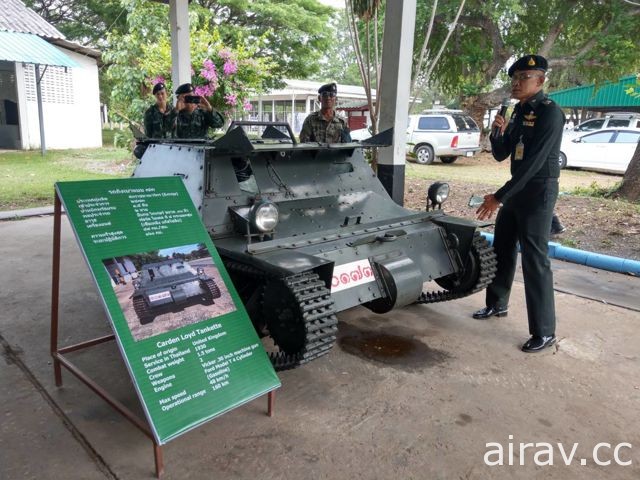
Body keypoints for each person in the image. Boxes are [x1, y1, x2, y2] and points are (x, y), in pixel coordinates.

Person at [473, 54, 565, 353]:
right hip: (516, 191)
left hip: (538, 193)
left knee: (535, 260)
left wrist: (499, 197)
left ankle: (544, 331)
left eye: (523, 78)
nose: (516, 83)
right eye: (514, 79)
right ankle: (497, 304)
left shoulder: (551, 113)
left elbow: (535, 163)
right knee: (502, 248)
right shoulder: (518, 111)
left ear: (540, 81)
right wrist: (497, 131)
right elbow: (502, 154)